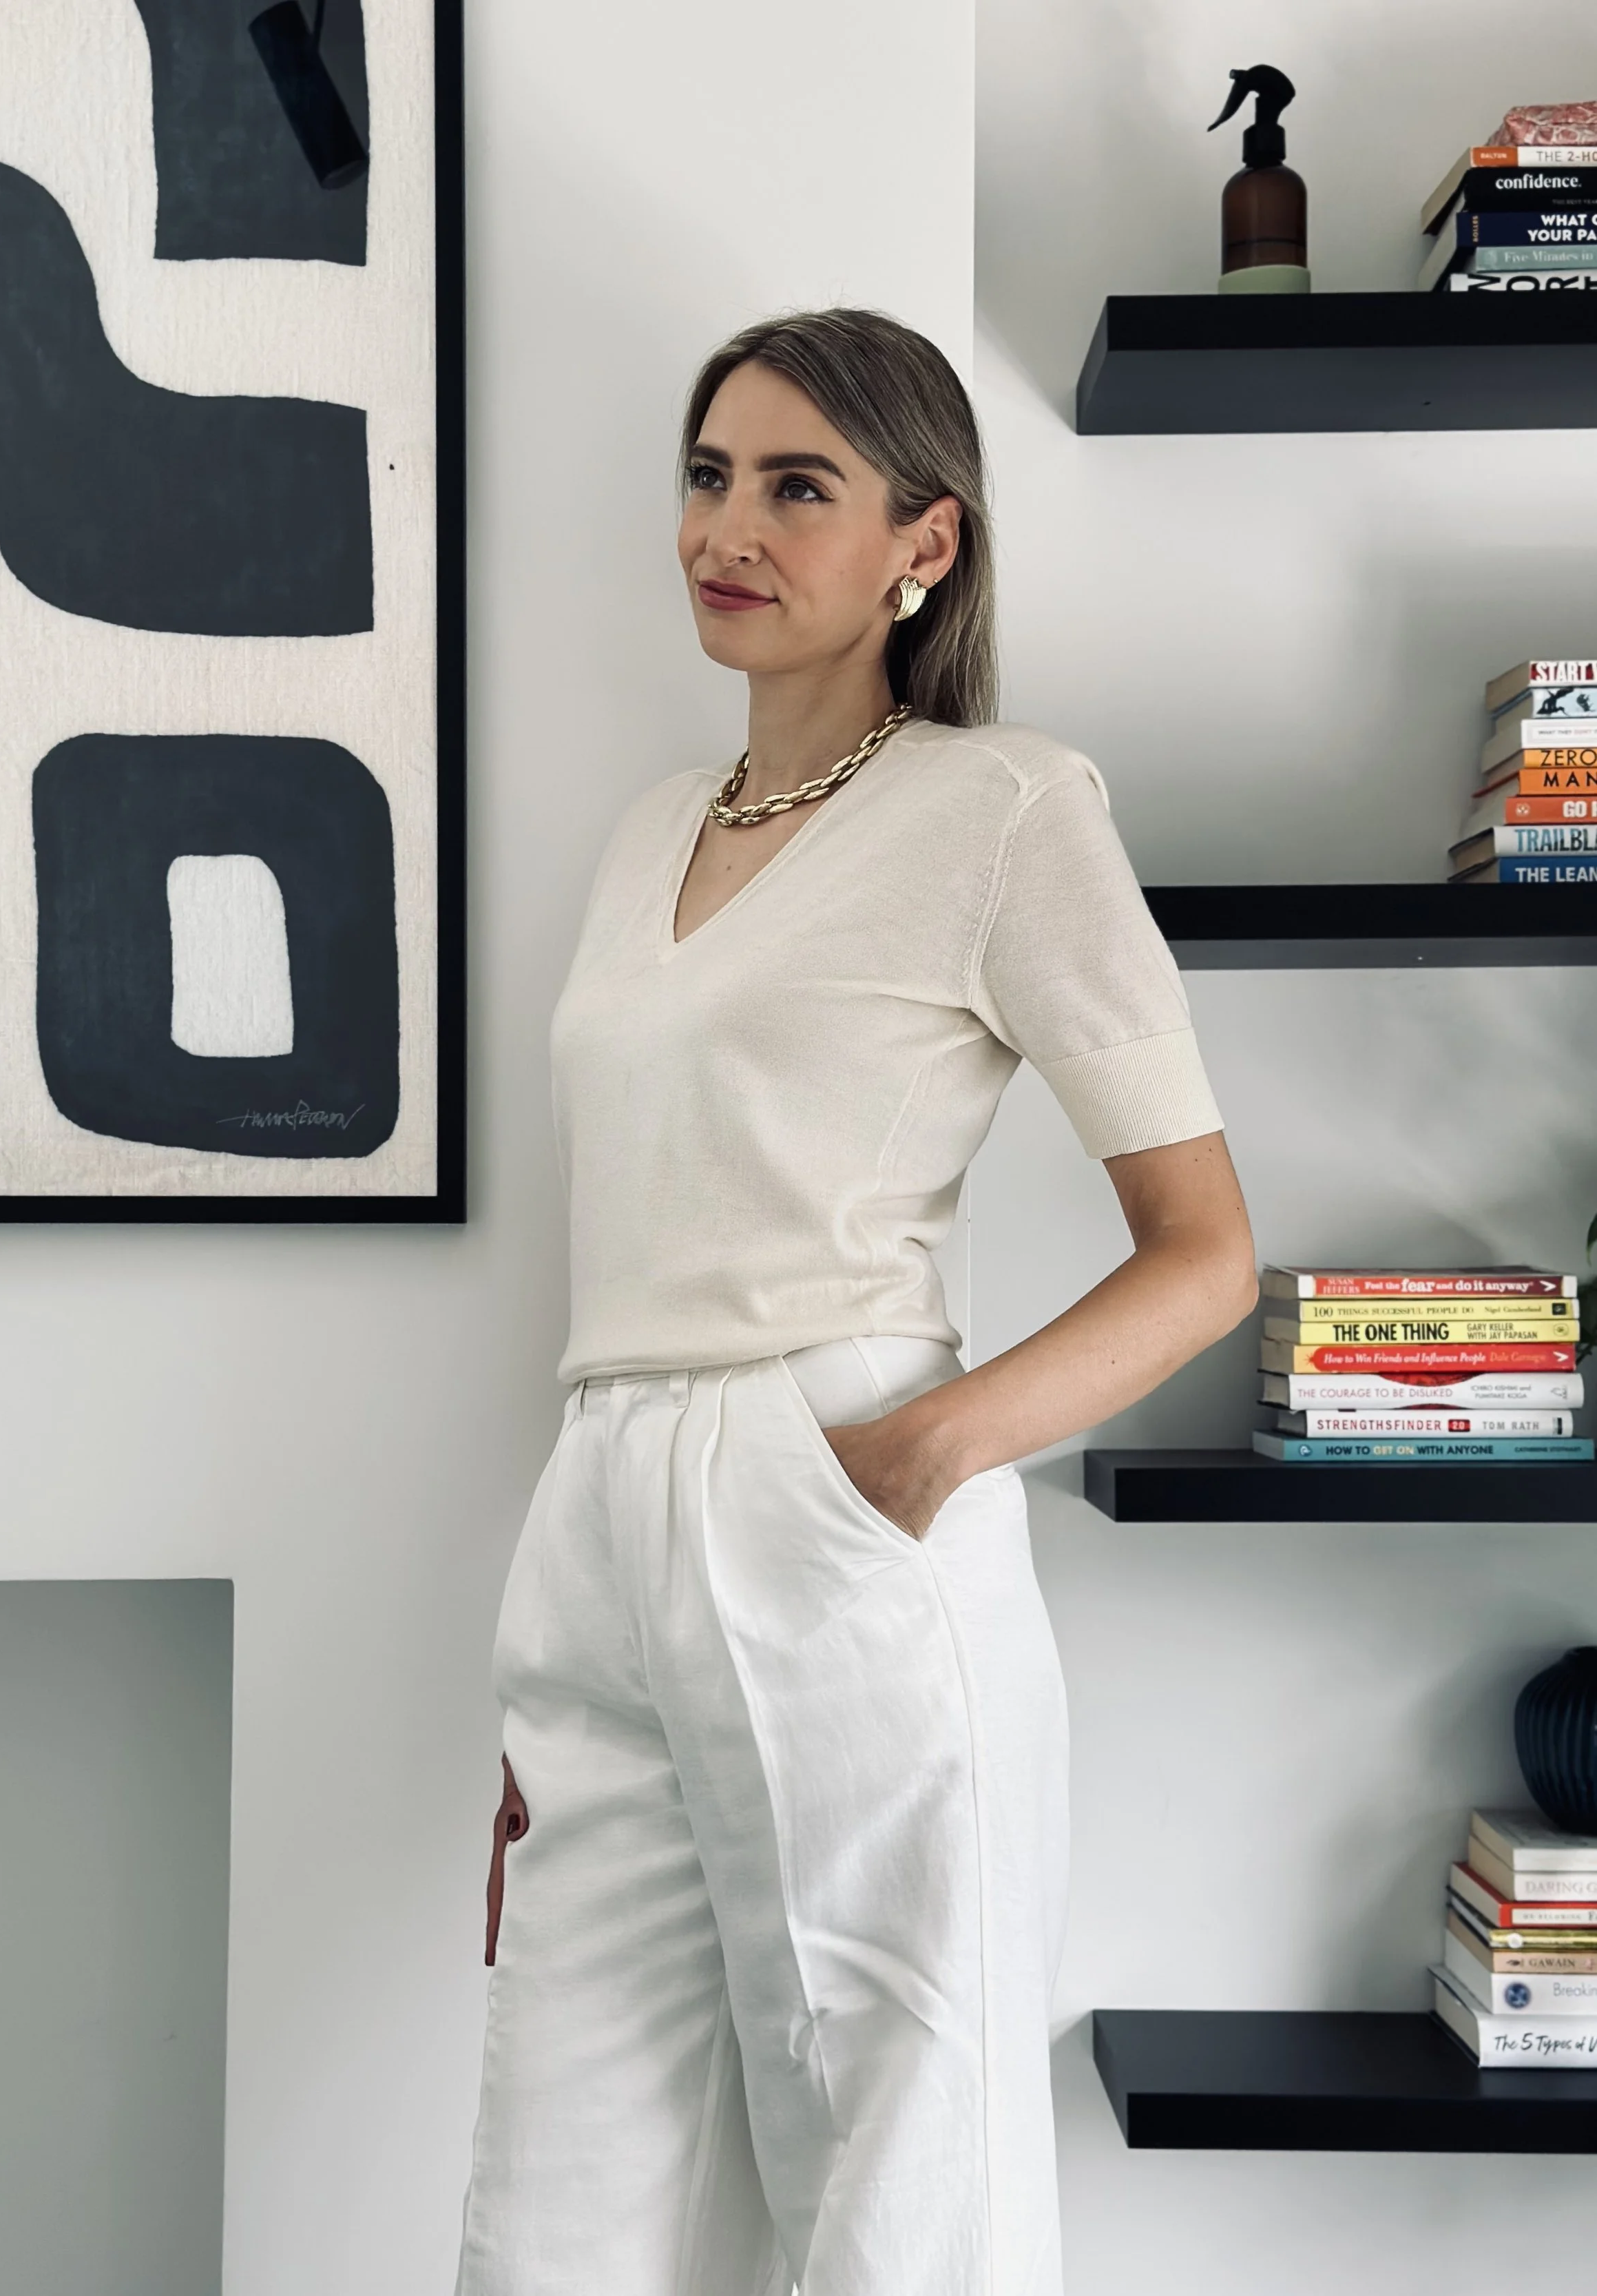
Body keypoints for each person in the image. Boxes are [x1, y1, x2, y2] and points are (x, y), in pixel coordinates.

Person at [454, 307, 1257, 2296]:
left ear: (926, 540)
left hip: (832, 1491)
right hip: (607, 1511)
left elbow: (1204, 1246)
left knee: (901, 2168)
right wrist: (600, 1620)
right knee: (557, 2186)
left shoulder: (1005, 812)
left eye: (796, 484)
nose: (728, 525)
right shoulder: (652, 830)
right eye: (707, 474)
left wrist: (911, 1451)